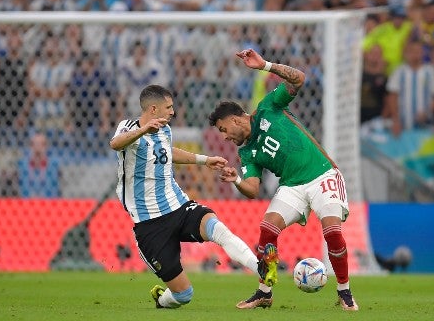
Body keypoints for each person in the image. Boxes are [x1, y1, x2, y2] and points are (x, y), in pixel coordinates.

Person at [208, 49, 358, 311]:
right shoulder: (246, 151)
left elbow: (298, 78)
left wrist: (265, 65)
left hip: (322, 174)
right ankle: (264, 291)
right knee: (267, 229)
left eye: (223, 129)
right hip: (292, 186)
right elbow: (253, 189)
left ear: (234, 119)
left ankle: (345, 292)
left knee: (332, 231)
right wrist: (236, 180)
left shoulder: (268, 108)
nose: (224, 137)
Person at [109, 84, 277, 310]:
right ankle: (162, 299)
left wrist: (204, 160)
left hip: (178, 206)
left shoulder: (165, 130)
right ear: (153, 108)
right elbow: (115, 144)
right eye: (168, 107)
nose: (172, 112)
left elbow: (169, 153)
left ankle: (260, 268)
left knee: (217, 229)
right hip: (149, 223)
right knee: (184, 295)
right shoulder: (128, 127)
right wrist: (143, 130)